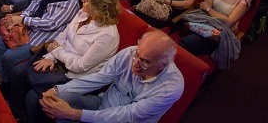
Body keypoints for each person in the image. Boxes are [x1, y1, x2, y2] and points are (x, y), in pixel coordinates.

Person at [10, 0, 121, 120]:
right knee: (17, 72)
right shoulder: (83, 13)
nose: (82, 0)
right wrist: (50, 57)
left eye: (86, 0)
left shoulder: (107, 35)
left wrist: (56, 53)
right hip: (59, 60)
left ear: (99, 7)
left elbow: (80, 66)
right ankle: (16, 115)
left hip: (74, 76)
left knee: (33, 98)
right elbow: (64, 35)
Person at [38, 30, 183, 123]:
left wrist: (74, 114)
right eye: (137, 55)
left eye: (145, 62)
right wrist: (58, 89)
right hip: (102, 103)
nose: (135, 63)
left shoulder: (170, 88)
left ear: (162, 65)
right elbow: (100, 78)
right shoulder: (129, 53)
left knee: (64, 116)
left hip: (124, 120)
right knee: (55, 101)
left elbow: (127, 115)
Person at [0, 0, 82, 91]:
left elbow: (51, 24)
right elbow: (35, 4)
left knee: (9, 57)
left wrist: (24, 21)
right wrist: (21, 18)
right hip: (31, 27)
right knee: (0, 40)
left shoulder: (71, 0)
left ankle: (5, 86)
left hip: (43, 38)